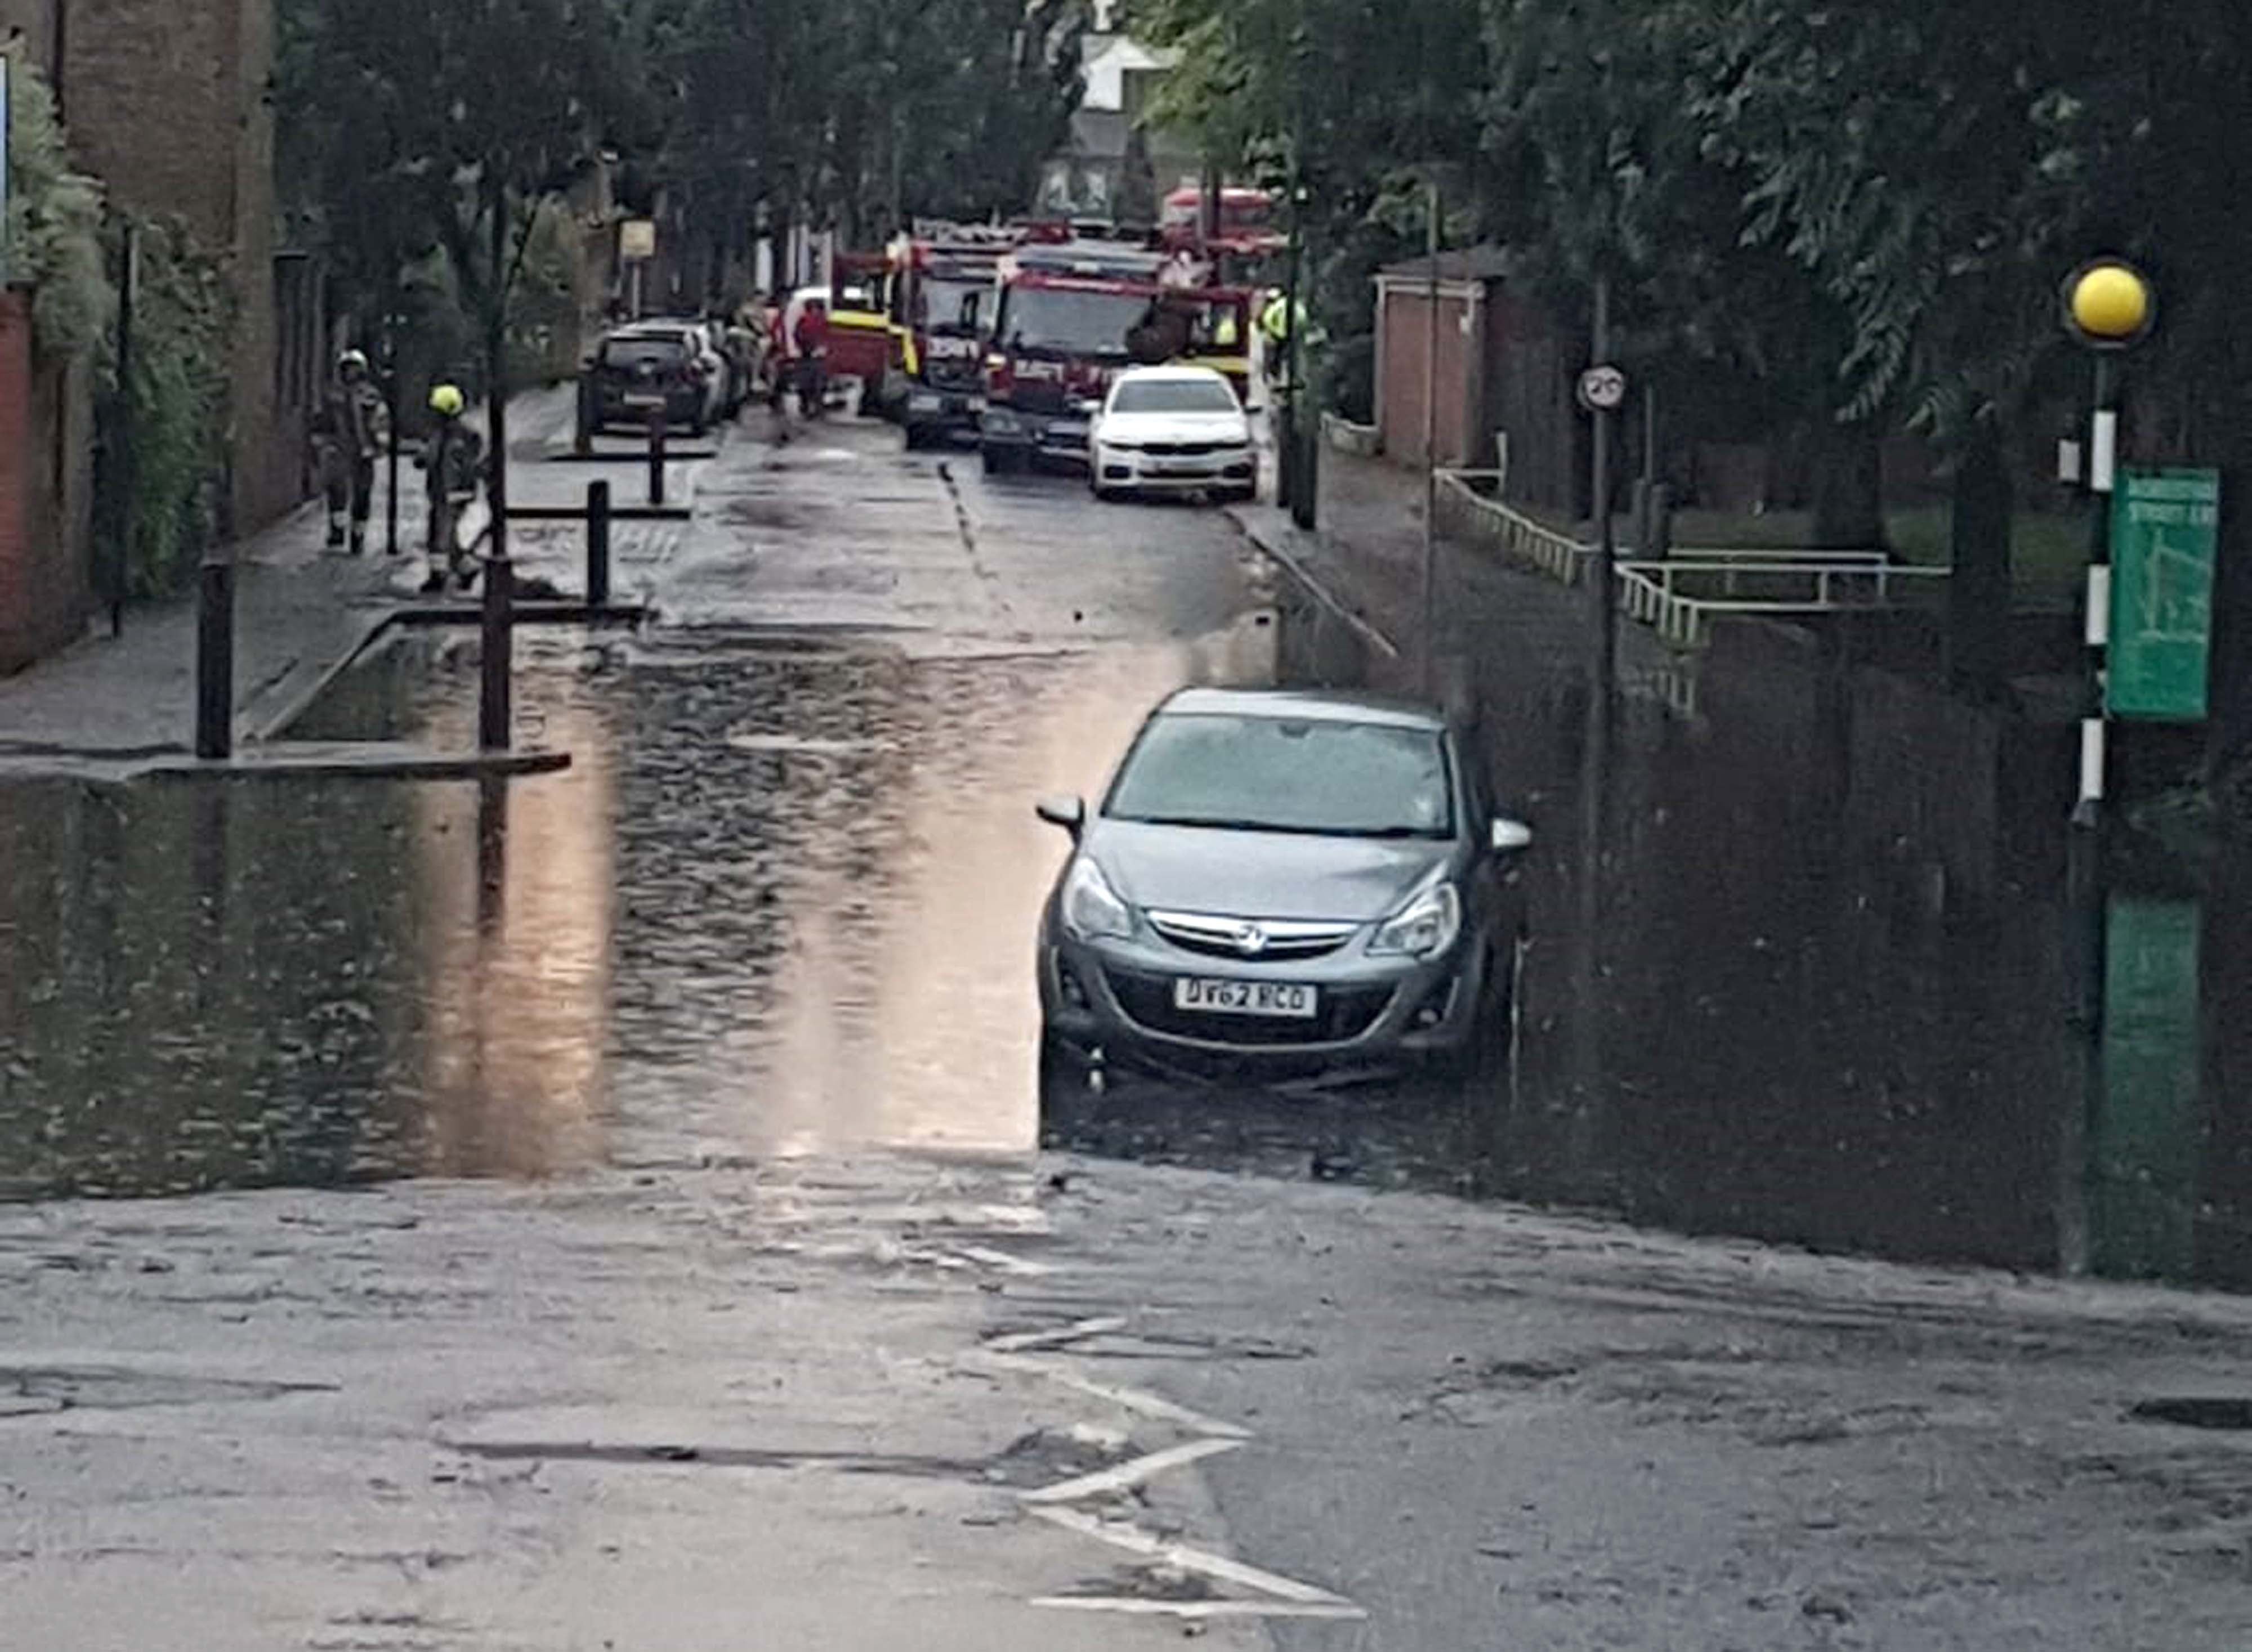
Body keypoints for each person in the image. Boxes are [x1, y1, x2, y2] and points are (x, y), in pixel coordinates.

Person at [312, 348, 388, 552]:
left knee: (362, 495)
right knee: (337, 491)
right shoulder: (333, 395)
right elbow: (322, 420)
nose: (351, 372)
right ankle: (337, 531)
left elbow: (381, 421)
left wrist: (378, 445)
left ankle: (358, 535)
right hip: (339, 450)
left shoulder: (371, 395)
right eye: (348, 368)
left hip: (364, 453)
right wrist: (323, 443)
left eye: (355, 368)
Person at [414, 382, 485, 594]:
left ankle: (438, 577)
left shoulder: (451, 436)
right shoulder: (458, 435)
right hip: (450, 491)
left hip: (449, 492)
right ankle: (467, 569)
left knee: (440, 536)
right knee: (449, 535)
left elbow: (441, 461)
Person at [791, 295, 831, 417]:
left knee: (810, 382)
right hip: (812, 355)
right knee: (814, 382)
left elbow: (798, 335)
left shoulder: (806, 320)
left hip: (811, 355)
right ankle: (814, 406)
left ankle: (812, 406)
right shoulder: (823, 321)